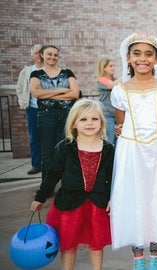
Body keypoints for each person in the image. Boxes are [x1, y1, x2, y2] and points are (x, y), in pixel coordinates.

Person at [109, 31, 157, 270]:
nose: (143, 59)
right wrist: (124, 132)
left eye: (149, 54)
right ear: (128, 58)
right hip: (131, 152)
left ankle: (155, 257)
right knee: (134, 198)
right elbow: (121, 123)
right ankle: (138, 259)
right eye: (137, 53)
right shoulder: (120, 91)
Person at [30, 99, 114, 270]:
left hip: (97, 205)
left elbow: (113, 177)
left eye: (94, 119)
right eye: (83, 119)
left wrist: (113, 198)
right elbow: (52, 174)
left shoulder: (108, 149)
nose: (89, 123)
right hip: (69, 204)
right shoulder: (65, 147)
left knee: (96, 244)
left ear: (101, 122)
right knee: (68, 245)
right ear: (74, 123)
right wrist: (41, 197)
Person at [30, 45, 80, 184]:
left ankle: (66, 184)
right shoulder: (36, 74)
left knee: (65, 149)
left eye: (55, 55)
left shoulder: (67, 72)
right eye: (49, 54)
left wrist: (48, 95)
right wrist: (62, 90)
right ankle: (48, 185)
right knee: (47, 152)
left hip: (66, 115)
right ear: (42, 55)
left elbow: (75, 93)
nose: (52, 57)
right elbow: (36, 93)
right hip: (46, 116)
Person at [16, 44, 43, 175]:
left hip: (48, 109)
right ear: (32, 55)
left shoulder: (49, 69)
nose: (39, 55)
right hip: (32, 109)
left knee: (50, 137)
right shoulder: (27, 71)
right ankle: (36, 164)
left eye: (41, 52)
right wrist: (23, 102)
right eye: (36, 52)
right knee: (34, 137)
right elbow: (20, 88)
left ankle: (51, 164)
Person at [96, 57, 122, 145]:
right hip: (107, 116)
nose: (113, 68)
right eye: (110, 66)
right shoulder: (101, 79)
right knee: (110, 141)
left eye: (113, 66)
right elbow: (111, 85)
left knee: (119, 141)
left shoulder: (115, 80)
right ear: (104, 68)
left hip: (118, 115)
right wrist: (126, 74)